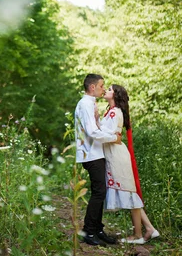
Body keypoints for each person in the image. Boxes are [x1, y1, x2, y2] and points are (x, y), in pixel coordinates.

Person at [99, 84, 160, 244]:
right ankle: (149, 229)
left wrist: (94, 129)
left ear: (116, 95)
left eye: (110, 89)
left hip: (116, 155)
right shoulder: (111, 112)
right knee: (129, 192)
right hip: (115, 153)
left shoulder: (115, 112)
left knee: (129, 193)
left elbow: (109, 135)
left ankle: (138, 235)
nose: (106, 90)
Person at [74, 74, 122, 246]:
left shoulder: (90, 104)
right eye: (102, 86)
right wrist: (113, 138)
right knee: (99, 192)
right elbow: (92, 133)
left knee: (100, 191)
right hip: (90, 154)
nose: (104, 89)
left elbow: (95, 127)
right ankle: (88, 231)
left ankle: (97, 229)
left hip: (96, 153)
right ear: (92, 87)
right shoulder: (85, 104)